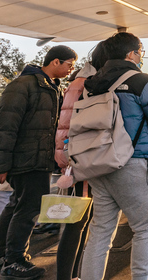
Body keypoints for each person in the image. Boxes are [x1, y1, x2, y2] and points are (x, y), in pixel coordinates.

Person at [0, 45, 77, 280]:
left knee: (15, 206)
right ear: (55, 62)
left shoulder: (51, 87)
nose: (70, 69)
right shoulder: (23, 85)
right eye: (69, 64)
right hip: (26, 159)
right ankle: (15, 261)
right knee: (28, 210)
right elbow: (4, 126)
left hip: (38, 158)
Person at [79, 33, 148, 280]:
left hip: (99, 164)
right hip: (133, 162)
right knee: (145, 228)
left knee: (100, 232)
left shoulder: (92, 83)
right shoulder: (141, 81)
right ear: (131, 54)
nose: (141, 56)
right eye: (140, 51)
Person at [54, 44, 109, 280]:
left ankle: (74, 275)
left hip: (79, 156)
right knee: (76, 221)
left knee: (83, 220)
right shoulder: (87, 83)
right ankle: (66, 276)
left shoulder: (83, 80)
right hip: (80, 158)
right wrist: (66, 156)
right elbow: (67, 125)